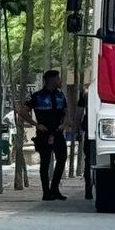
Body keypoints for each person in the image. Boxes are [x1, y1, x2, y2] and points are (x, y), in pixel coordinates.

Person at [20, 69, 69, 201]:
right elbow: (23, 111)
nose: (59, 81)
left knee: (62, 159)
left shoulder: (60, 95)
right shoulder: (37, 96)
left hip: (58, 132)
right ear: (51, 80)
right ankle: (46, 191)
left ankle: (55, 188)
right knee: (45, 162)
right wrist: (36, 125)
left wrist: (64, 124)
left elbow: (66, 111)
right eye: (57, 79)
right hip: (44, 133)